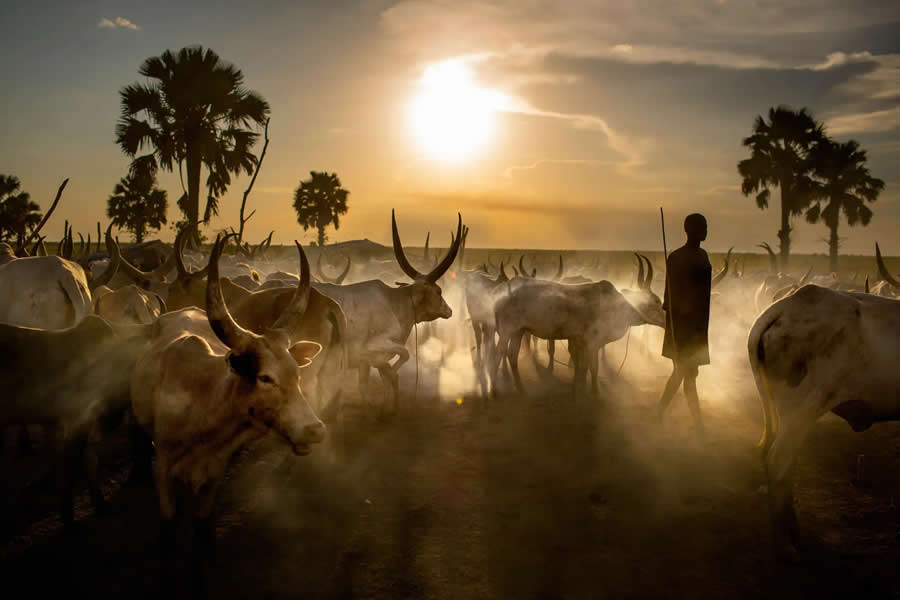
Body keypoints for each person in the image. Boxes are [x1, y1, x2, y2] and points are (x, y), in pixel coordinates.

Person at [657, 213, 711, 434]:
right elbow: (668, 300)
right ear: (691, 230)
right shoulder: (679, 257)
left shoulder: (701, 255)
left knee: (687, 374)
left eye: (706, 227)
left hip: (697, 327)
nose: (707, 230)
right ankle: (696, 424)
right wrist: (678, 320)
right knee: (685, 374)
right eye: (703, 227)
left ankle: (661, 413)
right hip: (684, 328)